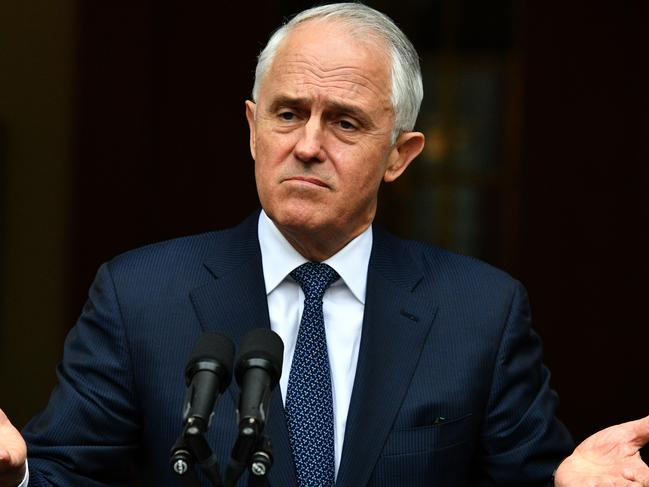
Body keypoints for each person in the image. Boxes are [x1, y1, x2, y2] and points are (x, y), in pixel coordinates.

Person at [1, 3, 648, 486]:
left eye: (344, 121)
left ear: (400, 154)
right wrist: (17, 474)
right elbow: (67, 473)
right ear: (253, 129)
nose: (307, 144)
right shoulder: (140, 294)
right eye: (287, 113)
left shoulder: (480, 312)